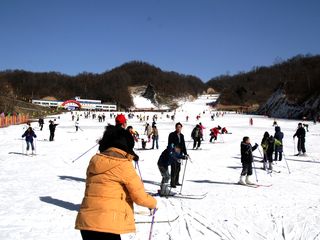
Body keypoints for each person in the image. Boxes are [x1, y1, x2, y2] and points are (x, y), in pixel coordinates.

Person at [75, 114, 156, 240]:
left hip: (86, 223)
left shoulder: (94, 160)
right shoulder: (124, 165)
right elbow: (139, 197)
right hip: (107, 225)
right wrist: (153, 202)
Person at [168, 122, 187, 188]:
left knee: (178, 168)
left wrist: (185, 153)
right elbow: (170, 144)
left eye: (180, 127)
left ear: (181, 128)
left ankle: (176, 181)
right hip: (173, 153)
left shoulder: (182, 136)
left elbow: (183, 145)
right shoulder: (172, 134)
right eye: (177, 127)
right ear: (175, 128)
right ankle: (172, 183)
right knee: (174, 168)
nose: (178, 128)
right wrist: (173, 150)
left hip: (180, 153)